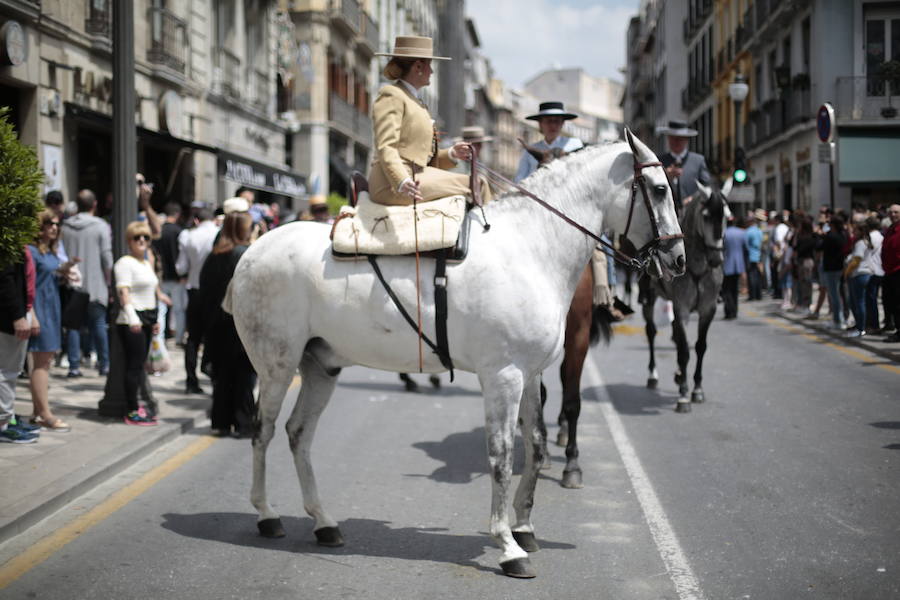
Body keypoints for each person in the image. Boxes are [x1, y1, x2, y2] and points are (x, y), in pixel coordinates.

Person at [369, 35, 475, 206]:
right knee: (476, 184)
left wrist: (451, 154)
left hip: (416, 177)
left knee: (476, 183)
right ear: (418, 66)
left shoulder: (417, 102)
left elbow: (420, 157)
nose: (432, 72)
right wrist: (401, 180)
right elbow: (386, 146)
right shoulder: (392, 94)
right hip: (390, 184)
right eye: (429, 65)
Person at [199, 211, 256, 437]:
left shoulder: (214, 255)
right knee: (243, 376)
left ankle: (222, 422)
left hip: (216, 324)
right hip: (238, 323)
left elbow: (204, 289)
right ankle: (243, 423)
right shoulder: (245, 254)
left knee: (222, 376)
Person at [26, 211, 77, 432]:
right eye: (49, 224)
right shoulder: (31, 251)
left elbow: (48, 274)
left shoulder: (48, 252)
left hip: (51, 307)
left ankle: (38, 412)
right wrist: (32, 315)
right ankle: (45, 413)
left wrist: (65, 271)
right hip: (40, 309)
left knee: (45, 360)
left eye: (57, 224)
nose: (54, 228)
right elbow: (28, 286)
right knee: (42, 361)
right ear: (40, 226)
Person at [61, 189, 112, 377]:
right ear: (95, 204)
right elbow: (107, 257)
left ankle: (74, 366)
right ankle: (105, 364)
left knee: (73, 326)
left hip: (72, 284)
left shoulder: (65, 226)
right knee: (99, 324)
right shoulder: (100, 226)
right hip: (95, 284)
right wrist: (110, 280)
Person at [114, 221, 161, 425]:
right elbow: (124, 292)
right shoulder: (124, 262)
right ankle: (131, 410)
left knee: (140, 365)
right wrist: (133, 317)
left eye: (145, 237)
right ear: (129, 241)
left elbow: (151, 293)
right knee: (134, 366)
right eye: (137, 237)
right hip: (132, 320)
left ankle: (136, 406)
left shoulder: (145, 262)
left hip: (148, 318)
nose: (142, 240)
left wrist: (154, 321)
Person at [175, 207, 219, 394]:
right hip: (215, 292)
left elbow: (180, 267)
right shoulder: (219, 234)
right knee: (215, 337)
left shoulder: (188, 236)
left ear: (196, 220)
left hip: (194, 290)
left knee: (193, 338)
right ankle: (213, 374)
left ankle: (191, 381)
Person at [0, 248, 41, 443]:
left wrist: (29, 314)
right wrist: (18, 316)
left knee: (11, 371)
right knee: (6, 372)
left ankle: (7, 419)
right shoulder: (9, 242)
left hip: (21, 312)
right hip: (10, 317)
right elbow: (5, 281)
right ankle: (3, 424)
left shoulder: (19, 242)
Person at [515, 101, 583, 183]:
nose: (553, 126)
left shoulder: (575, 144)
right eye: (548, 121)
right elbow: (519, 180)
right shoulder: (528, 152)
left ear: (563, 123)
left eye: (557, 121)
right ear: (540, 124)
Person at [656, 120, 711, 213]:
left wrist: (692, 199)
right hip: (666, 213)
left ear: (686, 140)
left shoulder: (698, 160)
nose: (676, 142)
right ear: (668, 138)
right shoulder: (659, 161)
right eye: (673, 138)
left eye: (680, 138)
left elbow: (706, 187)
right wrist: (666, 176)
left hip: (692, 214)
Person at [152, 202, 186, 343]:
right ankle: (178, 338)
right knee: (178, 309)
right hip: (177, 277)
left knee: (161, 309)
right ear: (177, 214)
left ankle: (160, 338)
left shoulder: (158, 232)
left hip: (160, 276)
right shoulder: (180, 232)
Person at [843, 219, 880, 338]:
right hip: (864, 274)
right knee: (859, 302)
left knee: (858, 302)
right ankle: (860, 326)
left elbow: (856, 260)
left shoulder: (860, 243)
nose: (853, 231)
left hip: (860, 274)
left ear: (861, 231)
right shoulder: (866, 242)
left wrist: (846, 273)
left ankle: (860, 328)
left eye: (855, 229)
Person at [820, 214, 848, 330]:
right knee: (841, 294)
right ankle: (842, 318)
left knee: (834, 295)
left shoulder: (831, 236)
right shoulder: (844, 235)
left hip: (831, 269)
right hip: (840, 268)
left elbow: (819, 247)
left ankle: (837, 320)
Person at [880, 204, 900, 342]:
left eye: (896, 212)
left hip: (898, 271)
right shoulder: (890, 229)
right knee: (890, 301)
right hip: (888, 271)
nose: (893, 214)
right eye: (891, 212)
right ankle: (893, 326)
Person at [792, 215, 817, 316]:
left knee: (806, 283)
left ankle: (807, 304)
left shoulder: (810, 237)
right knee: (802, 283)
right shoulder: (802, 236)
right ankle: (802, 303)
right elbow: (794, 246)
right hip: (802, 261)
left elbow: (797, 248)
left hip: (806, 261)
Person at [722, 216, 746, 319]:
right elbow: (746, 247)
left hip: (727, 264)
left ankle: (729, 311)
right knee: (735, 289)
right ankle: (735, 311)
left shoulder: (724, 233)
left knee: (727, 290)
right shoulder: (741, 233)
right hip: (738, 264)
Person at [744, 210, 764, 301]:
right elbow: (761, 243)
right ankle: (759, 294)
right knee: (758, 275)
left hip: (750, 256)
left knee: (751, 276)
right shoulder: (759, 231)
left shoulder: (748, 232)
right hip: (758, 255)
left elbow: (745, 245)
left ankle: (752, 295)